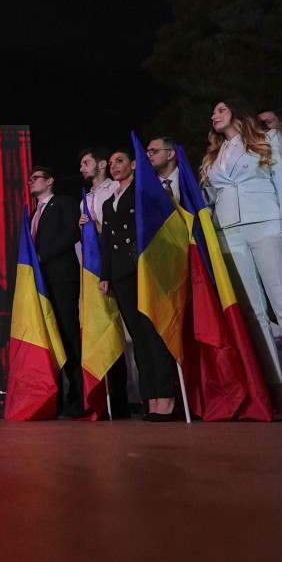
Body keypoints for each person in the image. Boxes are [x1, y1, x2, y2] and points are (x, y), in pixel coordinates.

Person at [201, 99, 282, 421]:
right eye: (214, 112)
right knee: (252, 315)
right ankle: (275, 388)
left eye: (221, 109)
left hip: (269, 227)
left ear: (239, 113)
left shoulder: (268, 140)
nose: (215, 115)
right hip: (228, 235)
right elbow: (211, 201)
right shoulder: (213, 155)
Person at [98, 150, 178, 421]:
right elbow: (107, 243)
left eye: (119, 160)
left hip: (144, 268)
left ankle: (166, 397)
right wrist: (105, 274)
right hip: (121, 274)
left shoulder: (144, 193)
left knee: (153, 331)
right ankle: (150, 396)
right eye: (111, 163)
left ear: (134, 165)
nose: (114, 166)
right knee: (139, 338)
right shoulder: (109, 203)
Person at [75, 148, 130, 418]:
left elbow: (116, 227)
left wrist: (97, 225)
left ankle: (126, 398)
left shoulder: (114, 190)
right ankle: (107, 399)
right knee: (104, 329)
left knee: (126, 331)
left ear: (101, 164)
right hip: (96, 272)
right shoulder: (84, 199)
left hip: (119, 265)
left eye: (86, 163)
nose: (82, 168)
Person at [28, 165, 84, 418]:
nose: (31, 182)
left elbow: (72, 232)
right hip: (41, 285)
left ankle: (78, 398)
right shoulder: (32, 214)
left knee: (69, 334)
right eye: (30, 179)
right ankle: (56, 399)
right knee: (51, 338)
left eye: (36, 178)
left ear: (49, 181)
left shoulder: (63, 203)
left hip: (62, 278)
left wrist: (42, 256)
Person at [145, 137, 181, 204]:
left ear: (170, 154)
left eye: (153, 151)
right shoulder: (145, 185)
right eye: (147, 152)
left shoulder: (193, 180)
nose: (147, 155)